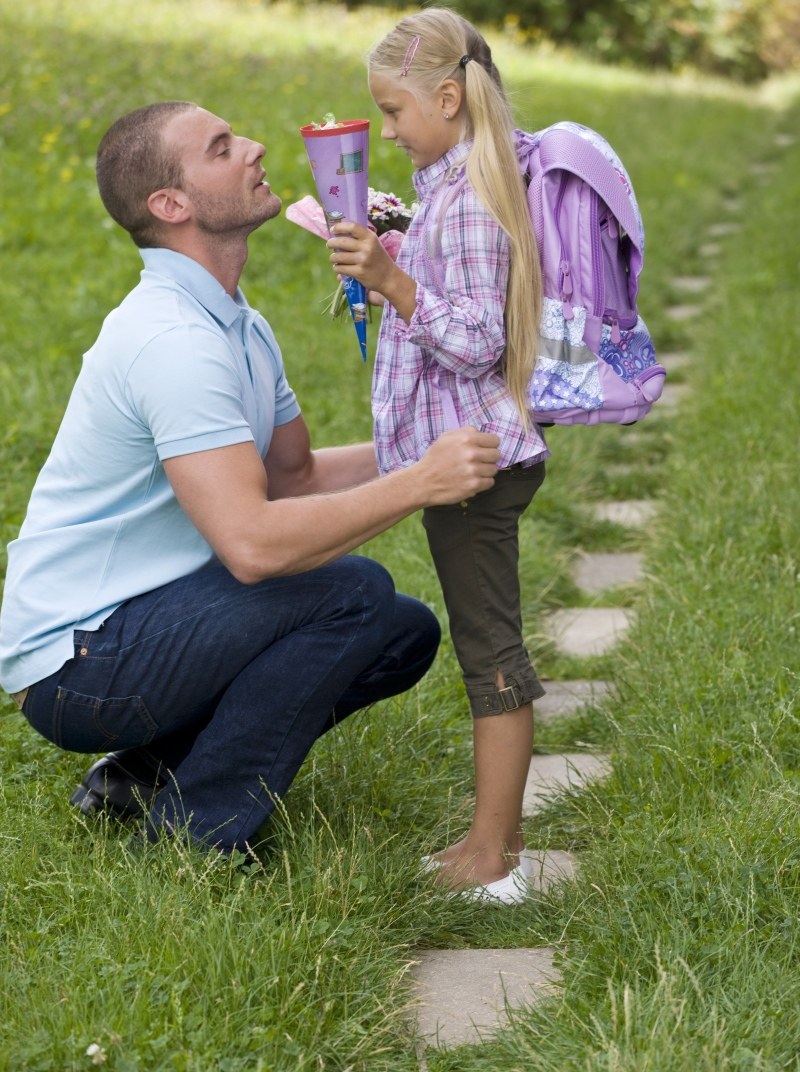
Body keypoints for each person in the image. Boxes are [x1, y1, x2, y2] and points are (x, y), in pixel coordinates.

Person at [0, 100, 502, 858]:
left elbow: (292, 480)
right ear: (171, 205)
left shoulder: (236, 323)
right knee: (351, 592)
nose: (256, 148)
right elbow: (254, 547)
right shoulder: (173, 341)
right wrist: (419, 483)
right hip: (80, 664)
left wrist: (431, 443)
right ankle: (194, 838)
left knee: (400, 633)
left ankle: (143, 773)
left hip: (140, 625)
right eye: (222, 147)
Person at [325, 8, 549, 904]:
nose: (387, 130)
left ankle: (493, 858)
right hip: (463, 455)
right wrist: (385, 262)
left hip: (476, 465)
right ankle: (495, 837)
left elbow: (475, 343)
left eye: (394, 111)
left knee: (491, 651)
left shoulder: (473, 201)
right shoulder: (451, 188)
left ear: (448, 99)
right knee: (483, 641)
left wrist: (394, 281)